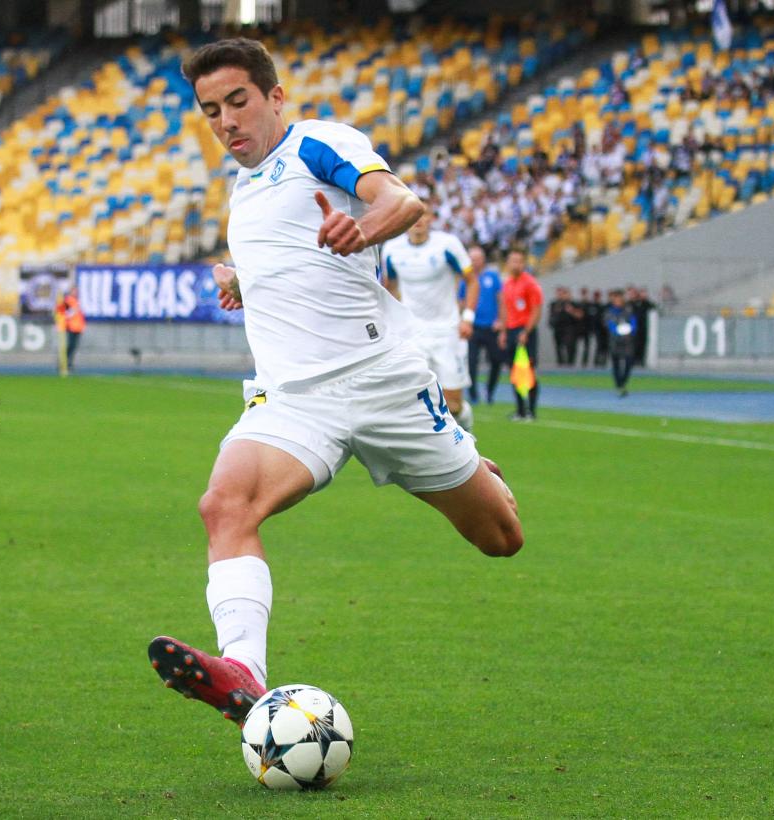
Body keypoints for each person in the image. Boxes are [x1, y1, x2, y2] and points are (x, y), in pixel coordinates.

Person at [147, 37, 523, 726]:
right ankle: (243, 671)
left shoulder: (318, 144)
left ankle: (472, 465)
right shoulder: (243, 193)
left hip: (384, 385)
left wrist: (363, 228)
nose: (227, 121)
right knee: (224, 506)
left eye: (238, 101)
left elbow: (401, 201)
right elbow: (295, 269)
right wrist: (243, 283)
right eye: (211, 111)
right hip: (295, 400)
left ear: (275, 97)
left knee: (501, 536)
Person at [382, 206, 476, 430]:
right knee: (413, 402)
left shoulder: (447, 245)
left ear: (431, 218)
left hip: (447, 332)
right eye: (414, 214)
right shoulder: (391, 249)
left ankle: (466, 423)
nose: (418, 220)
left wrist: (468, 318)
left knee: (453, 405)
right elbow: (389, 287)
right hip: (413, 335)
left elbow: (472, 281)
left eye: (423, 214)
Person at [497, 250, 543, 421]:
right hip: (511, 330)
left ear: (524, 264)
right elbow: (505, 309)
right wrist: (503, 332)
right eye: (513, 261)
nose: (516, 264)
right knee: (515, 372)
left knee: (528, 371)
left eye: (519, 261)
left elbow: (536, 310)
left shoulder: (530, 283)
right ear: (507, 263)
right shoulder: (507, 284)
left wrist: (527, 331)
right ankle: (520, 410)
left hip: (524, 331)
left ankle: (531, 410)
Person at [459, 245, 505, 405]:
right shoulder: (466, 279)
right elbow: (461, 302)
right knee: (471, 362)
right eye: (471, 259)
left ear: (483, 259)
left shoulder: (492, 276)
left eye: (477, 259)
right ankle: (473, 395)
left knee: (497, 360)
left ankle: (490, 391)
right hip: (473, 327)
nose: (474, 262)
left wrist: (501, 321)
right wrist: (462, 321)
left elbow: (501, 300)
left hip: (491, 327)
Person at [604, 289, 638, 396]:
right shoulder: (609, 312)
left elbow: (634, 323)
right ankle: (619, 385)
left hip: (627, 341)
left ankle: (623, 382)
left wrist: (630, 331)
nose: (618, 301)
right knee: (616, 364)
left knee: (628, 362)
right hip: (615, 341)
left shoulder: (628, 311)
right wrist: (618, 331)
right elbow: (610, 325)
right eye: (616, 299)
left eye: (620, 299)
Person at [55, 285, 86, 372]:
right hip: (70, 327)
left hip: (78, 328)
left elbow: (80, 315)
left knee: (73, 347)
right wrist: (71, 312)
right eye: (74, 291)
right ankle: (63, 362)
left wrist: (82, 326)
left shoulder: (77, 301)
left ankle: (69, 363)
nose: (76, 292)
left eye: (76, 291)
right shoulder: (67, 300)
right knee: (68, 346)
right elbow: (62, 312)